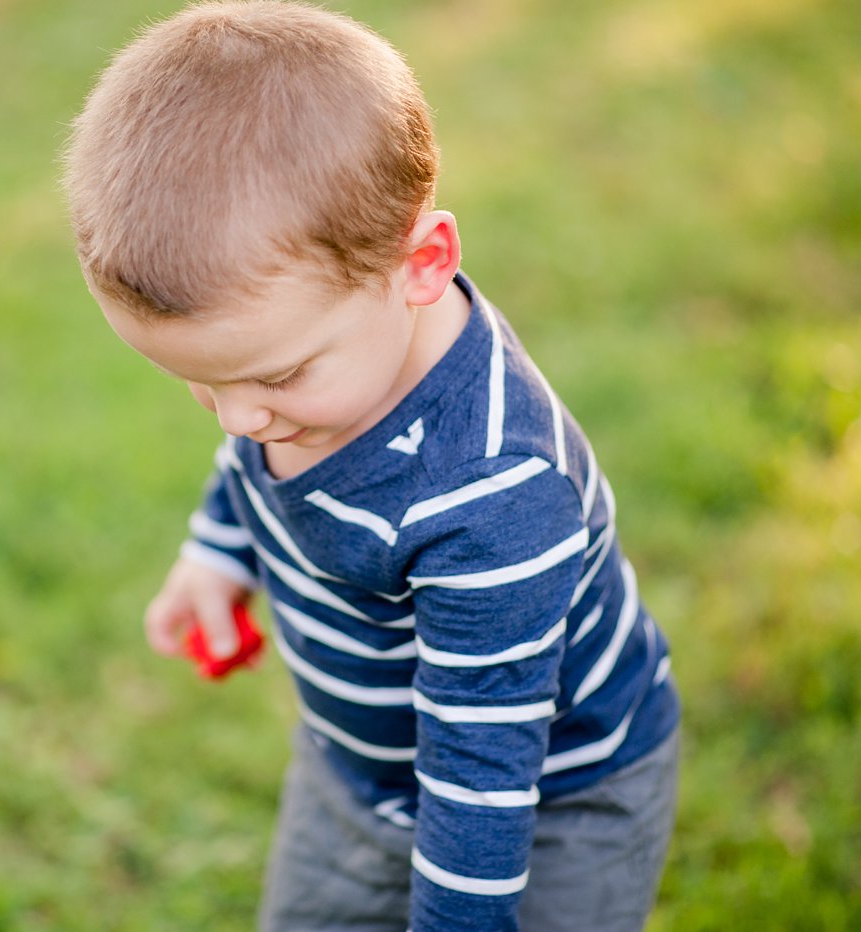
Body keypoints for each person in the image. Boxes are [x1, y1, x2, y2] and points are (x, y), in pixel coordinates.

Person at [62, 3, 681, 929]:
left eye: (272, 375)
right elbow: (252, 465)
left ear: (423, 263)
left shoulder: (499, 495)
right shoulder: (312, 372)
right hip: (355, 769)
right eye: (199, 381)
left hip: (549, 797)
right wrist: (216, 554)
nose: (239, 419)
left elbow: (481, 774)